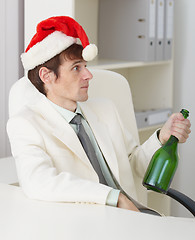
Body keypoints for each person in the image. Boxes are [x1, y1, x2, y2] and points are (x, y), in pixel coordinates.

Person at [7, 16, 191, 214]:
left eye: (86, 66)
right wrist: (112, 197)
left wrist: (161, 137)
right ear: (47, 76)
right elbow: (38, 181)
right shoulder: (26, 123)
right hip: (91, 223)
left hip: (135, 216)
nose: (88, 75)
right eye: (77, 68)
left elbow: (133, 165)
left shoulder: (106, 109)